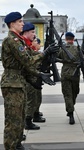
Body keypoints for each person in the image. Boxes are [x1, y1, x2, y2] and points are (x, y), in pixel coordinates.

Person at [1, 11, 56, 150]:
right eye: (20, 22)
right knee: (13, 120)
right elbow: (27, 60)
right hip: (12, 83)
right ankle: (11, 147)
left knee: (19, 118)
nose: (22, 24)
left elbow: (25, 64)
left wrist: (39, 74)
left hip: (19, 82)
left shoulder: (18, 40)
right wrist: (44, 53)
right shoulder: (11, 40)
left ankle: (17, 144)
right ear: (12, 24)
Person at [57, 32, 84, 125]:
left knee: (67, 94)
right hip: (75, 73)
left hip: (65, 73)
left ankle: (70, 111)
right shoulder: (78, 49)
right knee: (75, 92)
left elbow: (56, 57)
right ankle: (71, 109)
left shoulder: (62, 49)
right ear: (73, 39)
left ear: (66, 39)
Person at [21, 22, 46, 131]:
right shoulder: (25, 45)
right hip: (28, 77)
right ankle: (28, 121)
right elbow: (28, 62)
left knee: (35, 99)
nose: (34, 35)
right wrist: (44, 54)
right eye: (32, 32)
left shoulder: (27, 44)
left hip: (32, 76)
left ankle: (32, 116)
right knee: (30, 100)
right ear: (25, 32)